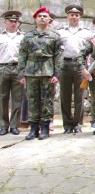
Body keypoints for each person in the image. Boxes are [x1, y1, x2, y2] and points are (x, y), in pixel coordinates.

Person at [18, 8, 64, 140]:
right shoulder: (27, 36)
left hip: (47, 71)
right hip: (31, 72)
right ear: (35, 19)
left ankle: (45, 128)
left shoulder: (55, 36)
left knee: (47, 100)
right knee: (32, 99)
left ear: (49, 19)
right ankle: (33, 129)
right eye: (40, 16)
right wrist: (21, 74)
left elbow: (58, 57)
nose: (42, 18)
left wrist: (57, 74)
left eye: (45, 16)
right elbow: (22, 55)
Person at [58, 5, 93, 134]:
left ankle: (78, 123)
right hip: (65, 65)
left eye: (76, 15)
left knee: (80, 97)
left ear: (80, 17)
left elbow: (90, 52)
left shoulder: (87, 32)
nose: (74, 17)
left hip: (80, 67)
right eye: (71, 15)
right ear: (67, 16)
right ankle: (67, 124)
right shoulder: (60, 32)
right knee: (65, 97)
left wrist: (87, 68)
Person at [0, 11, 25, 136]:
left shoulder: (23, 37)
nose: (13, 23)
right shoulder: (1, 37)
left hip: (18, 69)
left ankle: (15, 125)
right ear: (5, 22)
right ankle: (3, 125)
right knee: (2, 98)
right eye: (10, 21)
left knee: (17, 99)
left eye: (15, 21)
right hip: (2, 68)